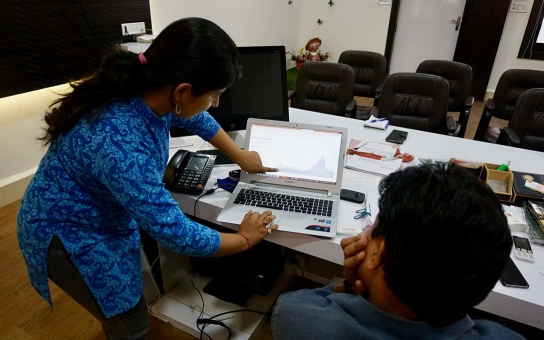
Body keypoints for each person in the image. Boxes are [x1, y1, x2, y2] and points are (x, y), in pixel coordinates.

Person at [17, 17, 279, 339]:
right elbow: (176, 233)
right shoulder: (118, 139)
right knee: (132, 324)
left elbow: (197, 117)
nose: (216, 103)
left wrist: (239, 155)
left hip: (98, 213)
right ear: (182, 91)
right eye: (214, 95)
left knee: (118, 307)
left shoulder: (151, 85)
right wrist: (245, 239)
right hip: (67, 232)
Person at [272, 163, 524, 339]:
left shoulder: (298, 320)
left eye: (373, 226)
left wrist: (347, 285)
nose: (364, 233)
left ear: (377, 253)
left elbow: (296, 303)